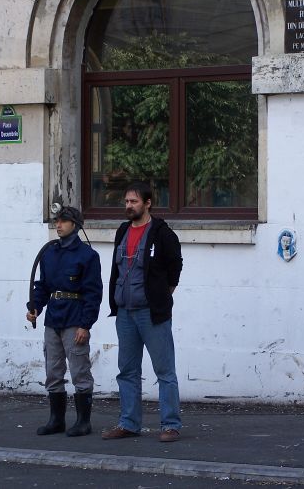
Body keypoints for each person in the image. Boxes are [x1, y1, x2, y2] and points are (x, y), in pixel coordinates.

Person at [101, 182, 183, 442]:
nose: (129, 206)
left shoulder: (162, 233)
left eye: (134, 201)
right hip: (125, 312)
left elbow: (175, 267)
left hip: (151, 313)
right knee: (127, 370)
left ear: (148, 203)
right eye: (126, 201)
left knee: (164, 371)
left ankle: (170, 425)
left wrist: (162, 295)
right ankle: (128, 423)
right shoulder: (123, 231)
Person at [26, 205, 102, 437]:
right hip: (53, 319)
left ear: (75, 225)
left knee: (79, 370)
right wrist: (35, 307)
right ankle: (56, 420)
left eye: (63, 221)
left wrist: (85, 325)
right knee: (53, 370)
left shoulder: (88, 256)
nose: (58, 225)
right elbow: (42, 286)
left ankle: (83, 422)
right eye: (56, 221)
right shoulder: (49, 253)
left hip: (75, 319)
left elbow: (93, 293)